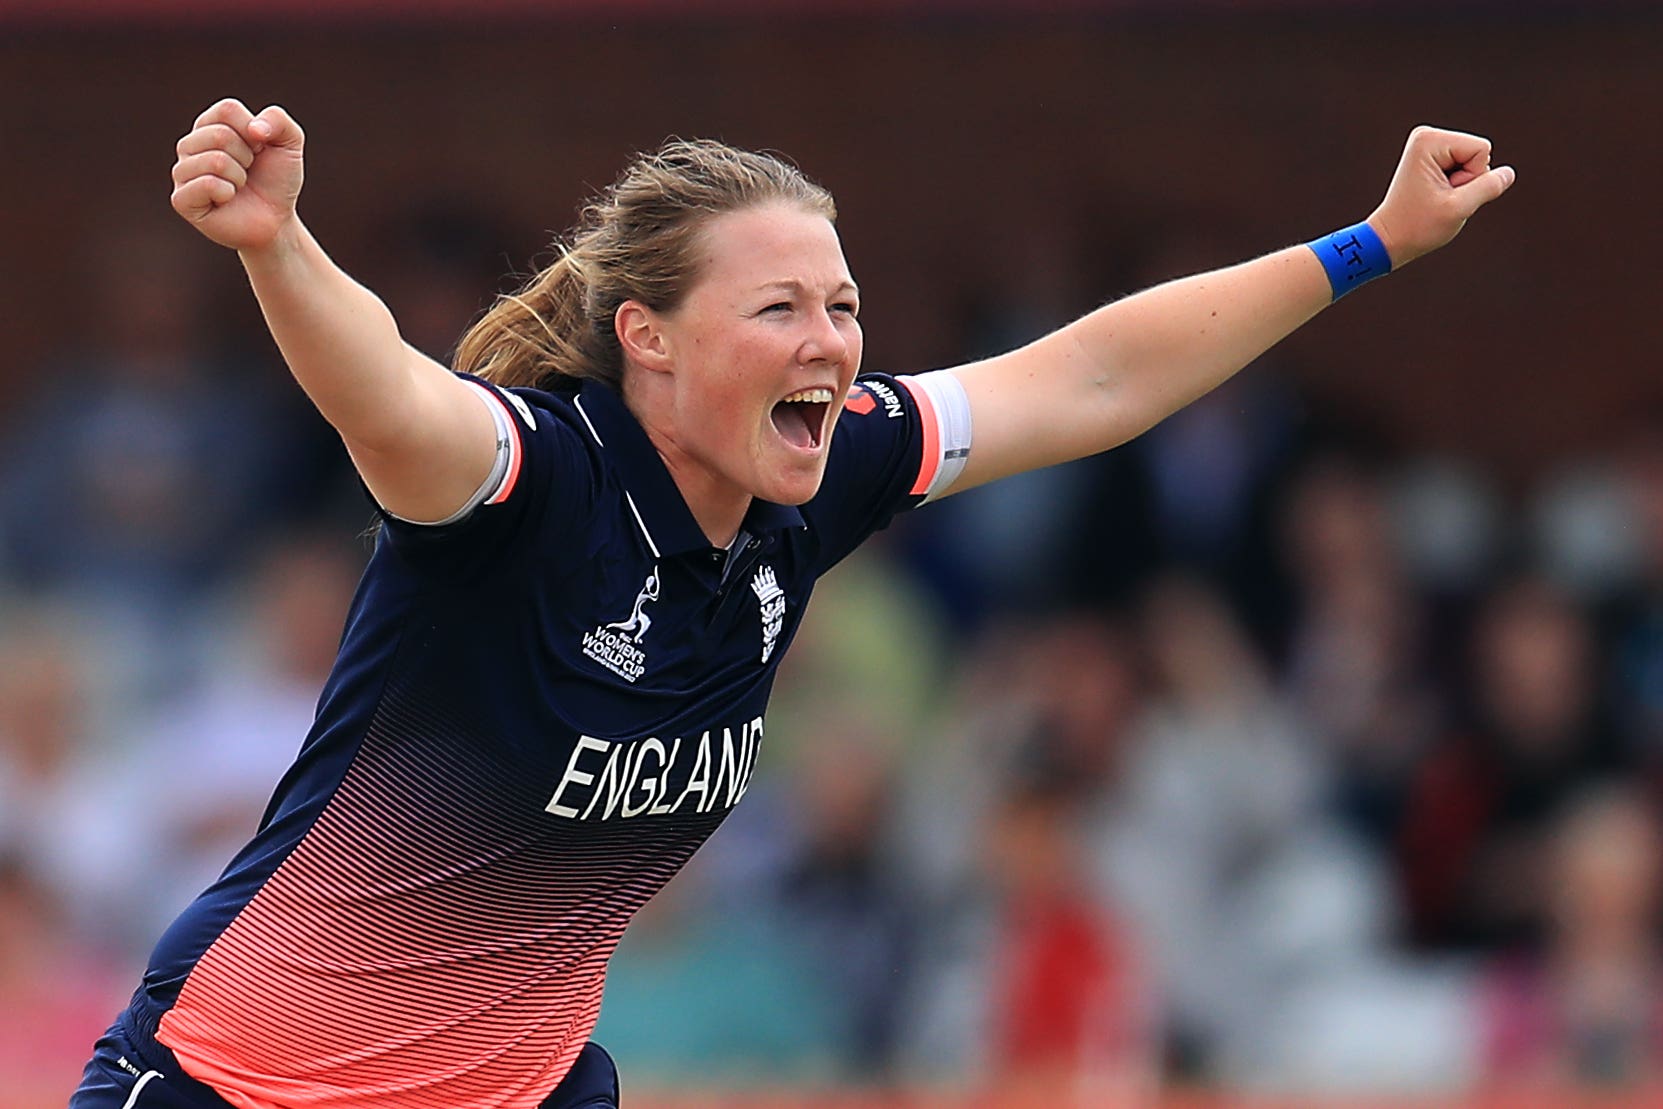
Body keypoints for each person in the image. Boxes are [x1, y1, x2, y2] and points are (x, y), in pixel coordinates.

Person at [71, 97, 1513, 1109]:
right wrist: (276, 243)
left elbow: (1091, 378)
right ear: (646, 338)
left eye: (842, 304)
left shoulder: (811, 481)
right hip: (231, 1084)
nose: (830, 343)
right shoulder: (533, 485)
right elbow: (383, 388)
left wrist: (1365, 244)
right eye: (780, 311)